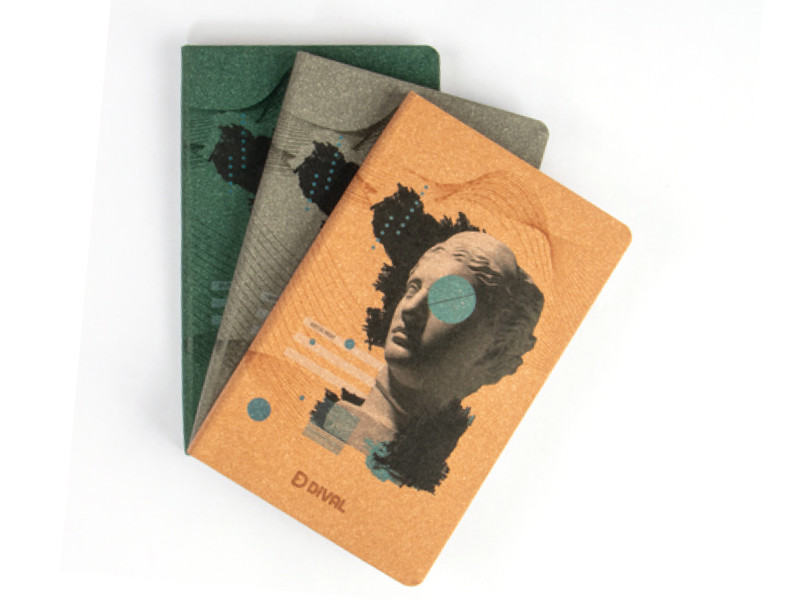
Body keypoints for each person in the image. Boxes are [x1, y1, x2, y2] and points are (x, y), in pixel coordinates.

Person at [344, 231, 544, 465]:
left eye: (447, 302)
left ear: (494, 350)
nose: (410, 308)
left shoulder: (453, 465)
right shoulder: (340, 422)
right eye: (413, 289)